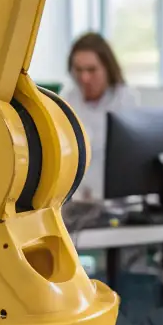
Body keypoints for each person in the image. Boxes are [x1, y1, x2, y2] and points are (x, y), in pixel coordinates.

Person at [62, 32, 137, 200]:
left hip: (115, 197)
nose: (84, 78)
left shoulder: (125, 100)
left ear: (107, 69)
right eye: (78, 70)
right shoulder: (67, 100)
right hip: (75, 198)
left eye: (92, 70)